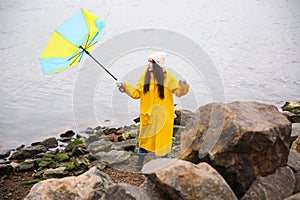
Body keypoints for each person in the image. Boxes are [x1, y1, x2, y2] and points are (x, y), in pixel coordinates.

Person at [116, 52, 189, 171]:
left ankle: (166, 168)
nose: (148, 64)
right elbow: (136, 93)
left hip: (163, 118)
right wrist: (124, 86)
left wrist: (183, 86)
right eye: (148, 61)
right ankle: (139, 163)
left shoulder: (167, 77)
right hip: (148, 117)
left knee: (163, 145)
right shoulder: (145, 75)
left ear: (158, 64)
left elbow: (179, 92)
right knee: (144, 142)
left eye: (151, 62)